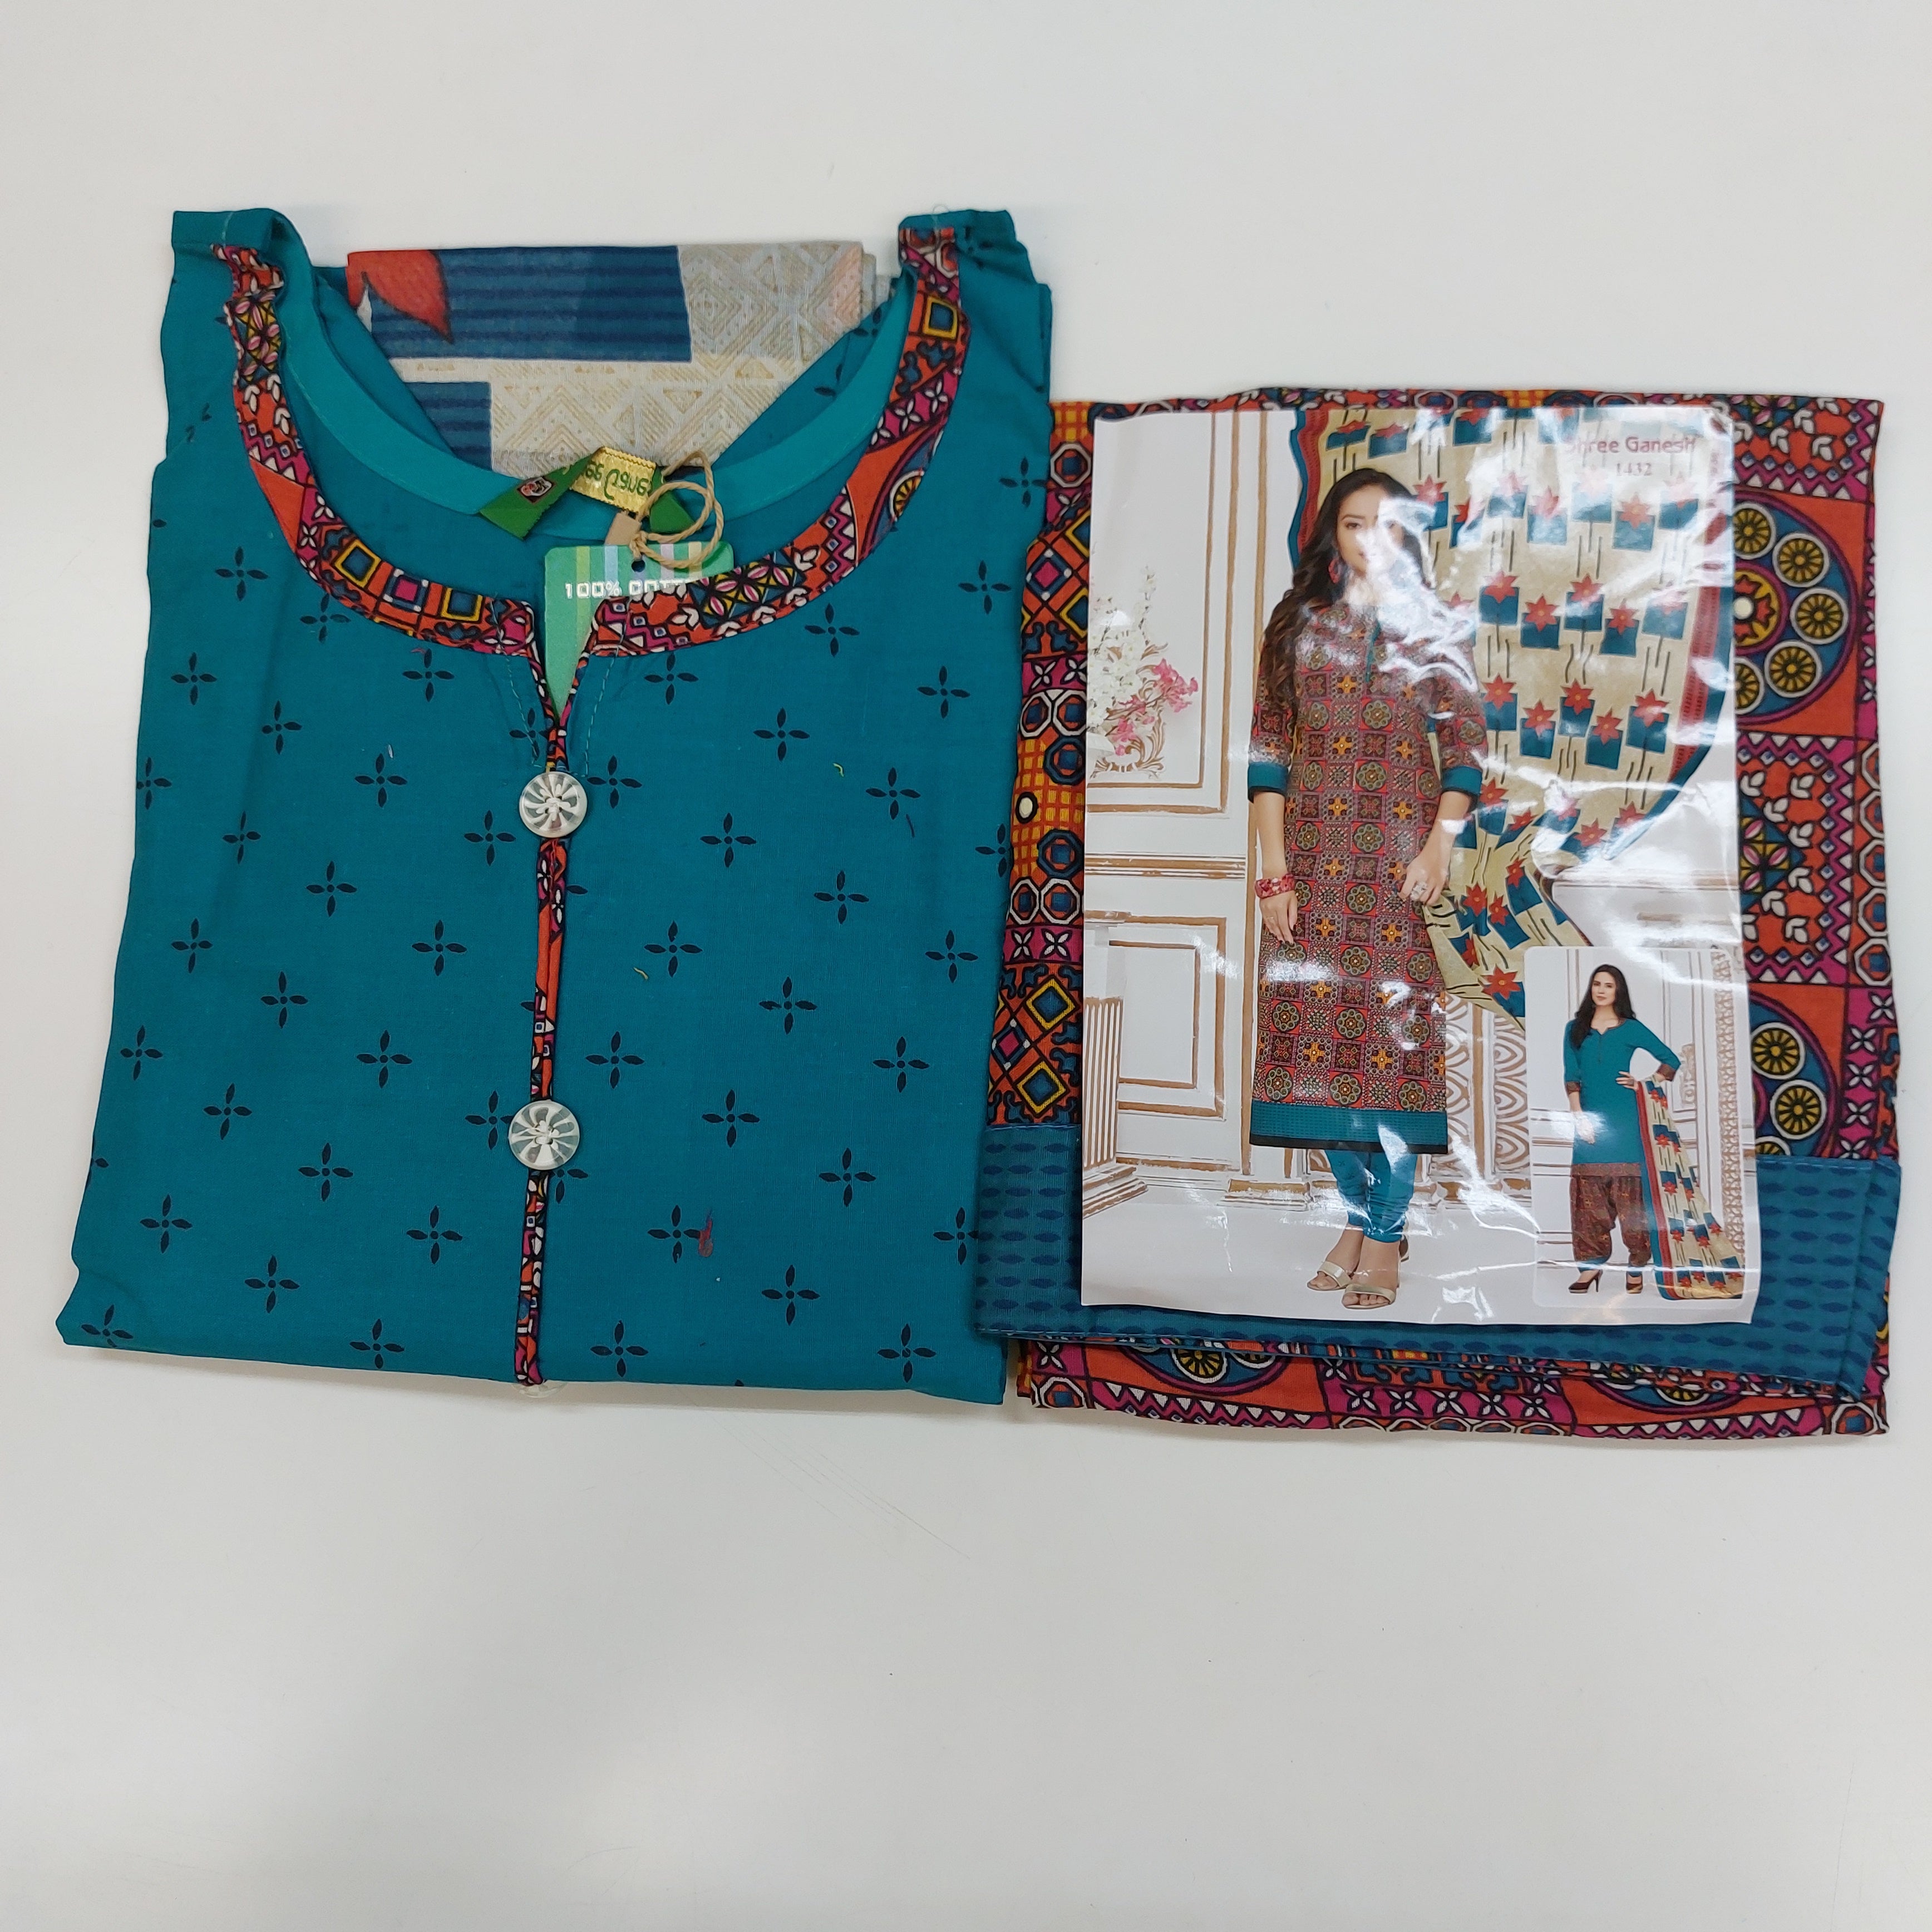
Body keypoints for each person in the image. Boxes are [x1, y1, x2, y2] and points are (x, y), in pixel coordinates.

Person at [1249, 468, 1486, 1309]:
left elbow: (1465, 748)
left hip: (1396, 874)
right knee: (1312, 1059)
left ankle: (1381, 1236)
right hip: (1311, 866)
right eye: (1354, 523)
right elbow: (1269, 753)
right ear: (1333, 533)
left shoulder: (1433, 628)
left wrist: (1438, 850)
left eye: (1386, 525)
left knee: (1393, 1060)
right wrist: (1273, 873)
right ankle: (1363, 1220)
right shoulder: (1296, 625)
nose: (1368, 540)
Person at [1561, 963, 1680, 1293]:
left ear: (1618, 991)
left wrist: (1645, 1082)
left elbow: (1671, 1060)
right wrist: (1579, 1117)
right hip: (1590, 1120)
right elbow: (1571, 1075)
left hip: (1626, 1120)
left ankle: (1637, 1263)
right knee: (1588, 1197)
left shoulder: (1631, 1028)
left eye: (1609, 985)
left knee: (1632, 1198)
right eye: (1597, 984)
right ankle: (1590, 1267)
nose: (1601, 990)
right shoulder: (1575, 1029)